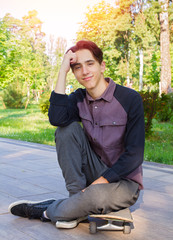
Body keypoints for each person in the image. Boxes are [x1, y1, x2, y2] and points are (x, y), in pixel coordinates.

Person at [9, 40, 145, 229]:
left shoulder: (130, 99)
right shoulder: (79, 98)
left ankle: (46, 211)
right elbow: (56, 119)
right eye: (77, 67)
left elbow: (135, 155)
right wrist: (62, 70)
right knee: (67, 129)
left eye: (90, 64)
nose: (85, 71)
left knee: (95, 195)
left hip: (123, 183)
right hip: (95, 170)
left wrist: (96, 185)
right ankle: (76, 202)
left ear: (102, 66)